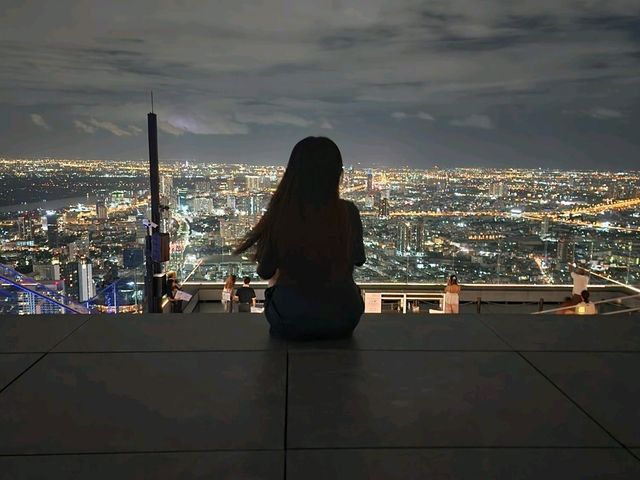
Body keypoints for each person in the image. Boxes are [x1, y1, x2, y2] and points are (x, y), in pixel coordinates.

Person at [235, 136, 366, 340]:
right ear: (337, 175)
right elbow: (358, 259)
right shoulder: (348, 212)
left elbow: (265, 271)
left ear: (292, 175)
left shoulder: (282, 213)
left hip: (290, 316)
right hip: (342, 316)